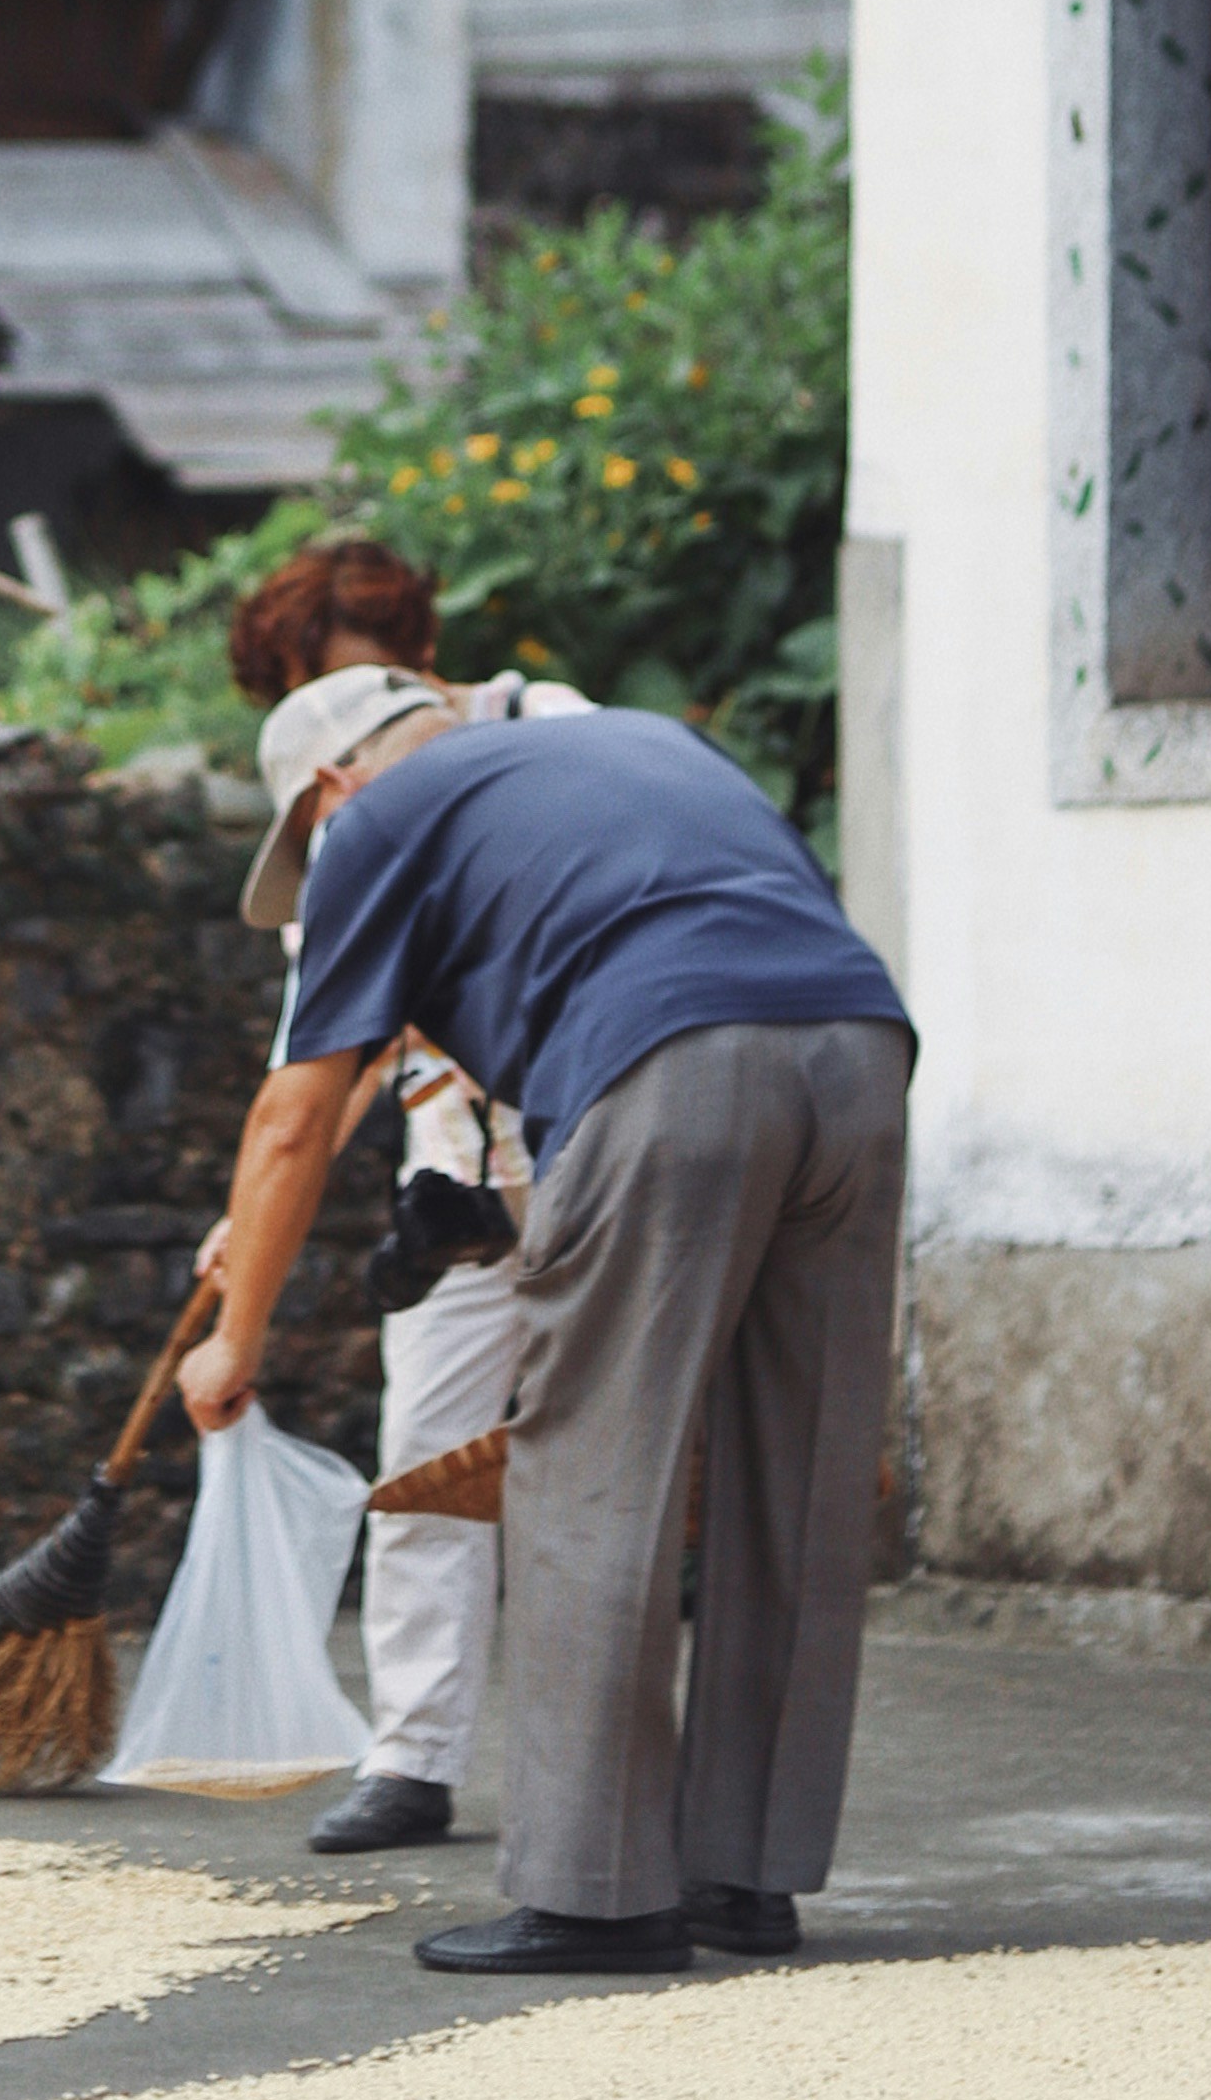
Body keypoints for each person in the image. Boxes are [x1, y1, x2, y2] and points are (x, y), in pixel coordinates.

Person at [182, 692, 911, 1976]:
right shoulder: (636, 744)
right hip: (858, 1054)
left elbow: (292, 1120)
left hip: (670, 1055)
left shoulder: (374, 830)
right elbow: (703, 999)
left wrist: (232, 1345)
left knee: (589, 1471)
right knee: (796, 1471)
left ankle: (597, 1896)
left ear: (330, 791)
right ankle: (745, 1879)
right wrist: (500, 1211)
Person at [217, 542, 589, 1864]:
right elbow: (322, 1055)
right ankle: (410, 1757)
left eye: (361, 673)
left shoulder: (542, 727)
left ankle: (601, 1763)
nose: (354, 703)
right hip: (452, 1170)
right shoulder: (341, 817)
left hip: (593, 1133)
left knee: (608, 1457)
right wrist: (257, 1206)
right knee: (422, 1452)